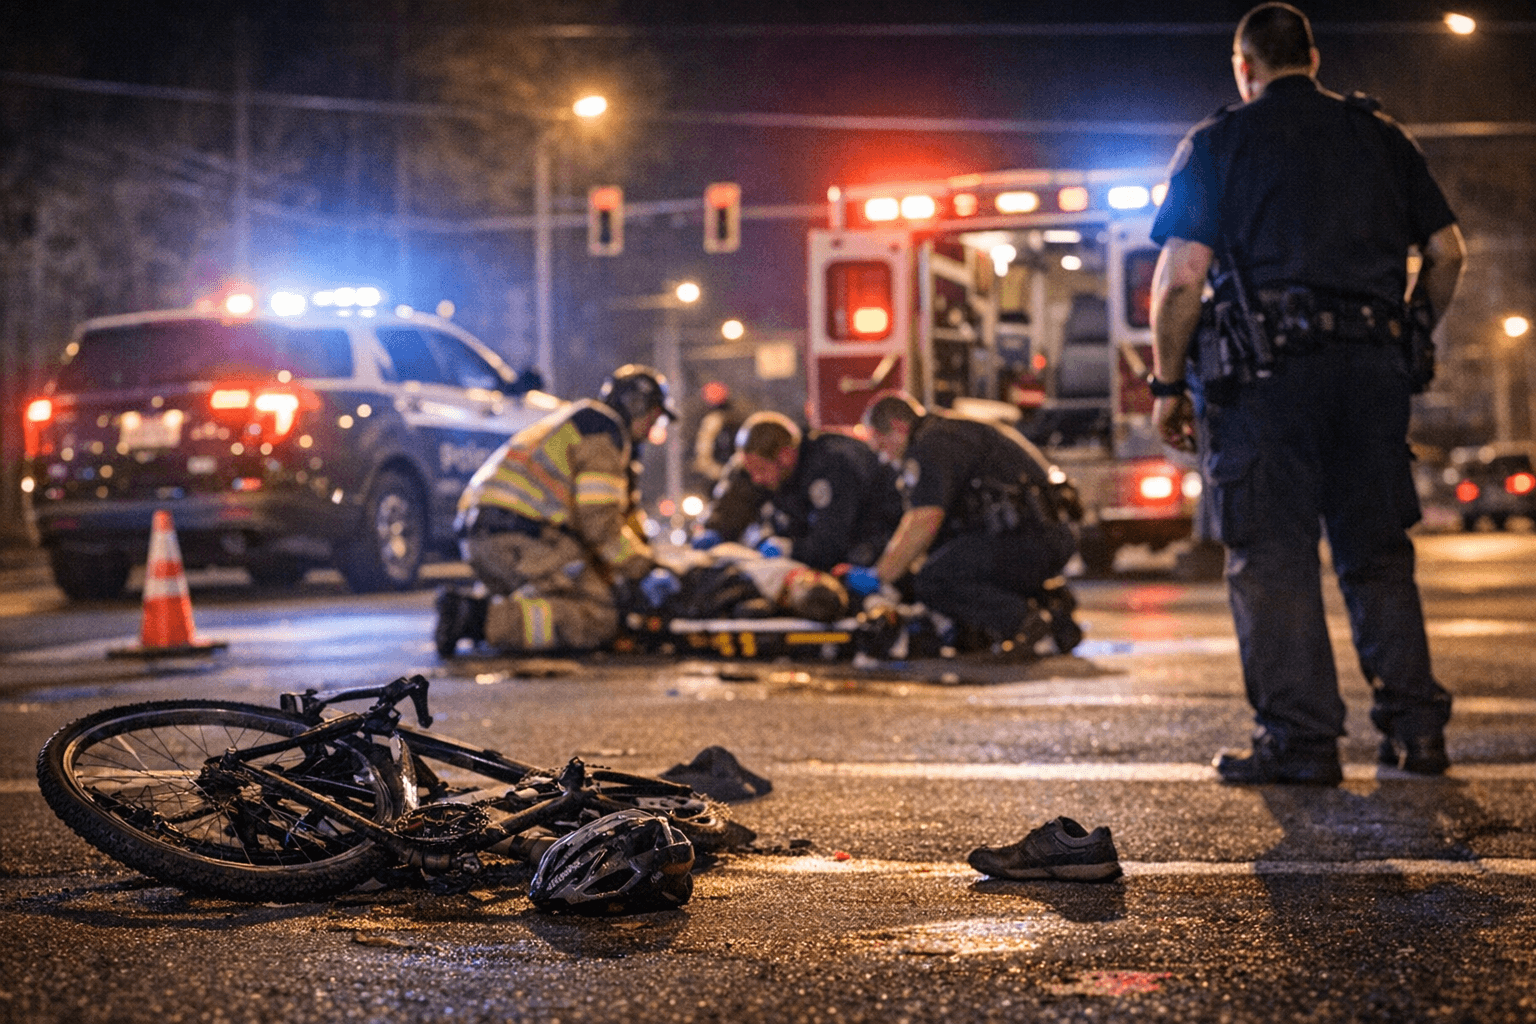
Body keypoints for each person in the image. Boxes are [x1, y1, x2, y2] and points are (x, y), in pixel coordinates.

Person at [1148, 3, 1465, 784]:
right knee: (1379, 557)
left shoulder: (1219, 142)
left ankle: (1303, 742)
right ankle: (1417, 734)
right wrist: (1411, 334)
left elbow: (1182, 278)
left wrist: (1165, 383)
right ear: (1314, 59)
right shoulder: (1382, 134)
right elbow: (1448, 252)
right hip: (1370, 376)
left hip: (1265, 383)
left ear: (1243, 66)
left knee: (1272, 560)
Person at [434, 364, 677, 657]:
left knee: (569, 591)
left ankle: (485, 610)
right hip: (522, 540)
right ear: (637, 407)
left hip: (484, 537)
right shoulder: (603, 434)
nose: (652, 432)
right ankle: (476, 619)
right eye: (655, 419)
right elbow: (600, 526)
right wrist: (645, 569)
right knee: (600, 615)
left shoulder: (577, 421)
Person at [849, 392, 1083, 655]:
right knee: (946, 563)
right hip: (1041, 535)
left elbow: (923, 522)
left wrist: (879, 576)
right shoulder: (947, 432)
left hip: (1031, 538)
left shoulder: (932, 445)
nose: (883, 457)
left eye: (881, 445)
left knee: (934, 580)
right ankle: (1052, 608)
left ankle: (1023, 623)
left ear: (899, 427)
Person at [695, 411, 904, 572]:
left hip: (869, 552)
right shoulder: (760, 466)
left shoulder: (833, 465)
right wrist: (714, 531)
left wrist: (791, 550)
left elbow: (831, 540)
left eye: (761, 470)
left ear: (786, 456)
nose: (756, 479)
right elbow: (737, 498)